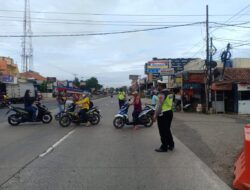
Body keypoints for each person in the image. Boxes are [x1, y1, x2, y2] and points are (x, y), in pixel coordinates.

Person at [153, 80, 175, 152]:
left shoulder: (162, 94)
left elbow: (159, 105)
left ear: (161, 86)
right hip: (169, 113)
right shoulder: (170, 93)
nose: (157, 87)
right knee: (167, 130)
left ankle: (164, 147)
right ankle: (171, 145)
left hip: (163, 114)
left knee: (162, 131)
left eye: (158, 85)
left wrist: (155, 115)